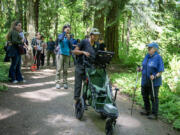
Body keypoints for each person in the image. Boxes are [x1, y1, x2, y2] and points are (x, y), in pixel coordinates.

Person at [72, 28, 100, 106]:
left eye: (97, 35)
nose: (96, 37)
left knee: (89, 84)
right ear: (91, 35)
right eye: (95, 35)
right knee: (78, 84)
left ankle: (84, 99)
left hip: (90, 67)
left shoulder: (97, 44)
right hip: (80, 65)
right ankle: (76, 102)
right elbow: (75, 51)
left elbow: (97, 56)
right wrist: (83, 52)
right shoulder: (84, 42)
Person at [137, 42, 164, 120]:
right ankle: (147, 110)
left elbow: (160, 71)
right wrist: (140, 69)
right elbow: (144, 66)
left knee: (154, 97)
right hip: (145, 80)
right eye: (148, 47)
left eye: (150, 48)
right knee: (144, 95)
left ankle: (154, 114)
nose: (148, 49)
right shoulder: (147, 56)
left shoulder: (158, 57)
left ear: (155, 49)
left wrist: (155, 76)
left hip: (154, 82)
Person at [55, 25, 72, 89]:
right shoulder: (60, 35)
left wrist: (69, 39)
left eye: (69, 29)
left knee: (65, 70)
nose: (68, 30)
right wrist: (64, 33)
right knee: (59, 69)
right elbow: (59, 39)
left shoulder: (69, 36)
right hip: (60, 54)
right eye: (67, 29)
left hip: (67, 54)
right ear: (64, 29)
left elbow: (71, 46)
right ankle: (57, 83)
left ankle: (65, 82)